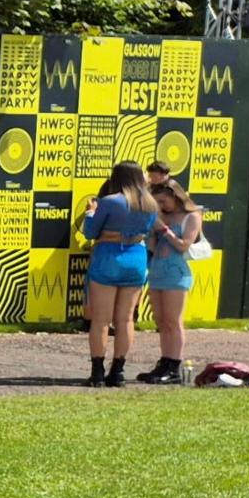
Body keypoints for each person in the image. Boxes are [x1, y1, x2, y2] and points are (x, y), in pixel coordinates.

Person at [80, 161, 158, 387]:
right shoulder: (150, 204)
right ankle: (118, 372)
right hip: (136, 258)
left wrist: (91, 213)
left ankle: (97, 373)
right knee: (125, 320)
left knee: (101, 320)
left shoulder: (110, 201)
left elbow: (90, 231)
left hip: (109, 258)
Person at [136, 175, 202, 384]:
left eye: (164, 202)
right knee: (161, 321)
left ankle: (174, 365)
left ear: (175, 197)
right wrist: (152, 232)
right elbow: (153, 248)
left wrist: (163, 229)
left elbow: (183, 245)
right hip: (157, 270)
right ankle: (163, 362)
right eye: (158, 203)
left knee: (173, 321)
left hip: (175, 272)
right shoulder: (160, 215)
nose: (162, 206)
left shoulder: (191, 217)